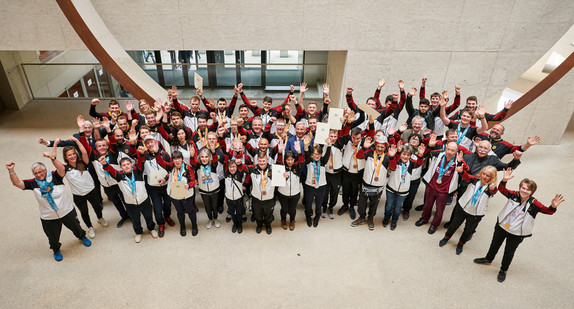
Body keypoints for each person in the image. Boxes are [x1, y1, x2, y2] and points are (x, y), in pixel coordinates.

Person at [473, 168, 565, 283]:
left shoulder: (534, 204)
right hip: (502, 226)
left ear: (532, 192)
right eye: (523, 188)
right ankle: (488, 258)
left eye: (528, 189)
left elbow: (548, 211)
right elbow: (502, 189)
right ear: (520, 187)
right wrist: (504, 180)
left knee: (509, 252)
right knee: (494, 244)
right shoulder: (513, 195)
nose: (524, 191)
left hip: (516, 233)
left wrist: (553, 206)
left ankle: (503, 270)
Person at [7, 160, 92, 261]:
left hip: (66, 211)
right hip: (48, 216)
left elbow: (61, 169)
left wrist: (53, 157)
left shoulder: (55, 176)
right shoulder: (33, 183)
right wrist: (11, 171)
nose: (38, 175)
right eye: (36, 173)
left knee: (76, 226)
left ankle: (82, 237)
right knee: (52, 237)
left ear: (45, 170)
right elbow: (17, 183)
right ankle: (56, 249)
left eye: (40, 172)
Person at [48, 137, 107, 239]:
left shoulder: (83, 163)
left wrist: (76, 141)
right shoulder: (65, 169)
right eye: (69, 155)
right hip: (79, 195)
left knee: (97, 207)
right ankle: (90, 227)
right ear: (66, 158)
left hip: (92, 191)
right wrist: (55, 144)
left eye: (73, 154)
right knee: (84, 212)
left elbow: (84, 152)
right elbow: (54, 160)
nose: (72, 156)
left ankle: (100, 218)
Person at [438, 165, 498, 255]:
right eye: (483, 174)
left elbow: (493, 191)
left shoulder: (490, 188)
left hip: (476, 214)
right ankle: (446, 237)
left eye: (488, 176)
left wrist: (493, 188)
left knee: (468, 231)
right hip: (462, 208)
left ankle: (461, 244)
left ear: (492, 178)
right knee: (454, 225)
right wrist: (461, 171)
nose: (484, 177)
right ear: (481, 173)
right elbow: (466, 176)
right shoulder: (475, 180)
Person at [101, 151, 158, 243]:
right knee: (135, 220)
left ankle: (151, 229)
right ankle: (138, 232)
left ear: (132, 164)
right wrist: (105, 164)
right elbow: (111, 171)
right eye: (124, 165)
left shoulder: (138, 172)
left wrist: (142, 154)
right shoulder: (119, 175)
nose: (126, 166)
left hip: (144, 200)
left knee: (148, 216)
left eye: (128, 164)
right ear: (121, 167)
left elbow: (141, 162)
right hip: (130, 204)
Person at [415, 142, 462, 234]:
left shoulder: (458, 160)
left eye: (452, 150)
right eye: (448, 149)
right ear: (445, 148)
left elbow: (462, 174)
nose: (449, 152)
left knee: (440, 209)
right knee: (427, 205)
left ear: (456, 151)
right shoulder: (440, 154)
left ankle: (434, 225)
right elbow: (427, 153)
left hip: (444, 190)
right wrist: (429, 145)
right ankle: (424, 219)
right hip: (432, 186)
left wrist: (456, 190)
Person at [351, 136, 392, 230]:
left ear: (385, 148)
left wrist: (393, 157)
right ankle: (362, 217)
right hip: (365, 183)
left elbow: (393, 167)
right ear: (375, 146)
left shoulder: (387, 158)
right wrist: (364, 148)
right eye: (378, 146)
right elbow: (358, 156)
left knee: (374, 204)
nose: (380, 149)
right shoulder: (369, 153)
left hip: (378, 186)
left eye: (382, 147)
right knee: (361, 203)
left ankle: (370, 218)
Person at [155, 150, 198, 237]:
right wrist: (156, 154)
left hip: (187, 195)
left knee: (191, 211)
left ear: (182, 159)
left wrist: (188, 185)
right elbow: (162, 163)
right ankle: (182, 226)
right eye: (175, 159)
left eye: (179, 158)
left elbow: (193, 181)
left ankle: (194, 225)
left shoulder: (188, 168)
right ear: (172, 160)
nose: (177, 161)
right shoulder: (171, 167)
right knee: (180, 212)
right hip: (174, 195)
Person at [383, 144, 425, 230]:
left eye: (408, 155)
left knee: (398, 208)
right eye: (404, 154)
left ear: (410, 156)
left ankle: (394, 221)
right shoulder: (395, 160)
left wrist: (420, 155)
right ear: (400, 154)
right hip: (391, 188)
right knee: (388, 206)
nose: (405, 156)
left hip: (403, 191)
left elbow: (420, 163)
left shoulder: (411, 163)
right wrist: (392, 156)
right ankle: (386, 218)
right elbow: (392, 167)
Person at [303, 136, 330, 228]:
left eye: (318, 154)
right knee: (308, 203)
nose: (316, 156)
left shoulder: (323, 161)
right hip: (309, 185)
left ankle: (317, 217)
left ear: (321, 155)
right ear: (312, 154)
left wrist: (329, 145)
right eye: (315, 154)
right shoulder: (309, 161)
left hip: (321, 185)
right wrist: (306, 145)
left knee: (319, 204)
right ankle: (308, 216)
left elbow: (327, 154)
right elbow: (306, 153)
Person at [192, 147, 222, 229]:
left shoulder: (213, 164)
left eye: (206, 157)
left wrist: (213, 152)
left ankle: (216, 218)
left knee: (215, 206)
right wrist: (191, 156)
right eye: (202, 157)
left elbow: (215, 159)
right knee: (207, 207)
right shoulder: (198, 166)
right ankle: (210, 219)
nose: (204, 159)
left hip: (214, 189)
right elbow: (192, 163)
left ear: (209, 157)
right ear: (199, 158)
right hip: (203, 190)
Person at [246, 152, 276, 234]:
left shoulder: (273, 169)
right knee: (257, 213)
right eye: (260, 161)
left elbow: (282, 179)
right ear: (257, 161)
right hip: (256, 198)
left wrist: (284, 175)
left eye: (263, 161)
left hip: (269, 198)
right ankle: (259, 225)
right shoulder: (253, 169)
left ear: (267, 160)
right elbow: (242, 168)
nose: (262, 163)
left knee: (268, 213)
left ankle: (268, 225)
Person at [276, 150, 305, 231]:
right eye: (288, 160)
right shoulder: (281, 167)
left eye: (291, 160)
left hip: (295, 193)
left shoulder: (297, 167)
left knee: (292, 209)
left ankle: (292, 221)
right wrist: (280, 152)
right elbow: (277, 162)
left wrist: (299, 152)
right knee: (284, 209)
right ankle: (283, 220)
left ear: (294, 160)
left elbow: (302, 162)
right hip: (282, 193)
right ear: (285, 160)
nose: (290, 162)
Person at [223, 160, 249, 234]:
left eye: (234, 166)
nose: (232, 169)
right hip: (229, 198)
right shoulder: (226, 174)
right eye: (230, 167)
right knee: (232, 213)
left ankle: (240, 225)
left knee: (239, 213)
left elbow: (248, 173)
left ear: (237, 167)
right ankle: (235, 224)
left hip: (239, 199)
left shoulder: (240, 174)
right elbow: (225, 161)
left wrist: (245, 184)